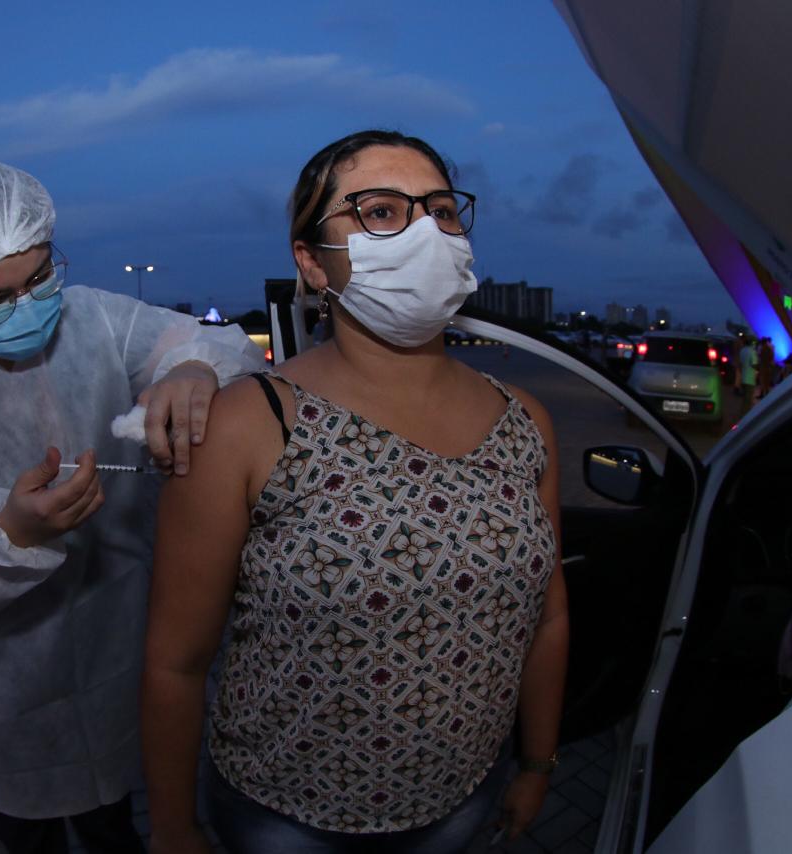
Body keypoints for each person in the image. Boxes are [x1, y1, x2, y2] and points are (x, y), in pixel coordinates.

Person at [141, 130, 568, 853]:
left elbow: (548, 618)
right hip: (286, 818)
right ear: (312, 263)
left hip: (465, 799)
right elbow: (175, 663)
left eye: (441, 209)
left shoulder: (525, 420)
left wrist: (536, 763)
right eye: (379, 212)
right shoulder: (250, 424)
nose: (426, 231)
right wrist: (174, 827)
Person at [0, 163, 264, 854]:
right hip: (0, 682)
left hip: (118, 641)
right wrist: (11, 535)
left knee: (113, 819)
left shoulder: (97, 317)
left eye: (40, 279)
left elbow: (214, 343)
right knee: (29, 828)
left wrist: (193, 371)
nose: (27, 306)